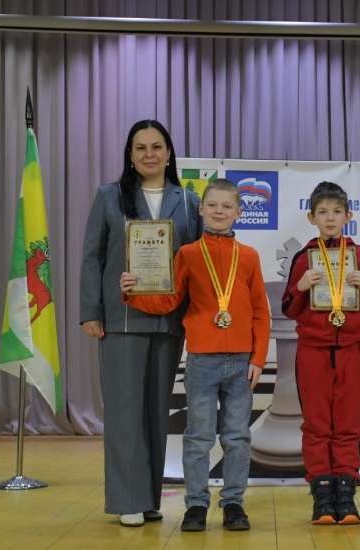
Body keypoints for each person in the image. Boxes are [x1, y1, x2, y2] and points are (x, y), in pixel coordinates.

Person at [121, 178, 270, 532]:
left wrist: (259, 358)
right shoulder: (188, 254)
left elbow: (260, 311)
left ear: (239, 212)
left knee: (237, 437)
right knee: (198, 437)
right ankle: (197, 505)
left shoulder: (248, 257)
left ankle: (233, 503)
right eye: (213, 205)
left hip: (241, 361)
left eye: (227, 206)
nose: (220, 211)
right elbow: (169, 299)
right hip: (202, 359)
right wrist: (133, 293)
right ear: (200, 209)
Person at [79, 120, 202, 527]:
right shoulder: (109, 196)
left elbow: (197, 262)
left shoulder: (187, 202)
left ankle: (149, 497)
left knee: (155, 413)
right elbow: (92, 257)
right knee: (124, 413)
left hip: (169, 321)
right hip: (122, 320)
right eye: (140, 148)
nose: (149, 154)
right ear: (129, 156)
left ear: (169, 152)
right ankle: (126, 499)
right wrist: (92, 311)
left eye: (157, 146)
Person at [282, 181, 360, 525]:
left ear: (348, 216)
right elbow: (289, 308)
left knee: (349, 423)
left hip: (354, 350)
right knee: (316, 424)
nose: (330, 218)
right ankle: (322, 496)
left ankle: (346, 493)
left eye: (337, 212)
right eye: (323, 212)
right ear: (311, 217)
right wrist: (300, 287)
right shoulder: (304, 257)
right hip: (312, 350)